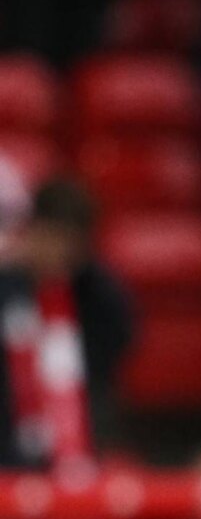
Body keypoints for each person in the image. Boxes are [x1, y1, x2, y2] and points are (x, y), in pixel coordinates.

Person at [0, 177, 132, 472]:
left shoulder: (94, 299)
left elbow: (113, 351)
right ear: (32, 231)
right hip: (10, 454)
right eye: (52, 239)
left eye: (70, 246)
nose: (58, 254)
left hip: (79, 452)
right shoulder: (6, 288)